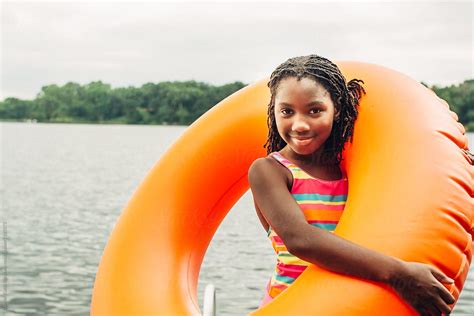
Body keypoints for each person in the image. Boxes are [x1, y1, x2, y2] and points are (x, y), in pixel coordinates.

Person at [248, 55, 456, 315]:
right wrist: (399, 274)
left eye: (315, 110)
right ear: (273, 111)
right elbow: (300, 240)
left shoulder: (355, 172)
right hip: (291, 305)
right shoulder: (269, 171)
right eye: (287, 111)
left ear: (336, 109)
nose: (299, 125)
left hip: (354, 303)